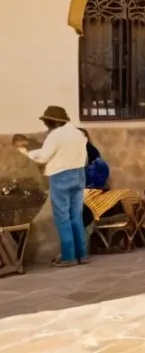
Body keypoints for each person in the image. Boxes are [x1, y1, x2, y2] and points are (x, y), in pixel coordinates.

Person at [18, 106, 90, 267]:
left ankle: (69, 257)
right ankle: (83, 254)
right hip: (79, 175)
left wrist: (27, 153)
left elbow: (44, 157)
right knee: (76, 216)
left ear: (51, 122)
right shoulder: (78, 133)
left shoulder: (55, 136)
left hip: (61, 177)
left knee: (63, 218)